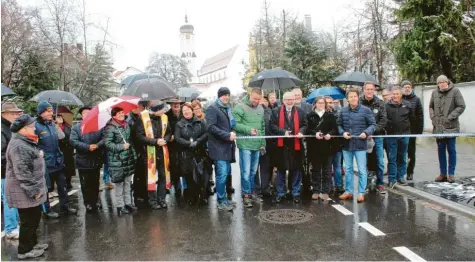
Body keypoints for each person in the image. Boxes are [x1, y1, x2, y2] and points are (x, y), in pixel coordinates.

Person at [6, 114, 49, 259]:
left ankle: (33, 243)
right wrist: (34, 191)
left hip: (27, 190)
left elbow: (30, 159)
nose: (34, 128)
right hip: (24, 191)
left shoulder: (25, 141)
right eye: (31, 126)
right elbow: (23, 172)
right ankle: (24, 250)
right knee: (28, 221)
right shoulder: (19, 145)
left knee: (34, 218)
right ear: (23, 129)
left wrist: (38, 155)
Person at [35, 101, 76, 218]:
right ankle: (47, 211)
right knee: (46, 188)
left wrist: (57, 127)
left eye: (51, 111)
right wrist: (38, 153)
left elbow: (62, 138)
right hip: (46, 163)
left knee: (63, 186)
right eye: (48, 111)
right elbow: (33, 144)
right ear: (41, 112)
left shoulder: (52, 124)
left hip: (57, 161)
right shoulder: (36, 126)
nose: (51, 113)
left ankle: (65, 207)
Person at [337, 88, 376, 203]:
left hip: (360, 145)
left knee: (362, 170)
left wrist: (366, 132)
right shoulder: (343, 111)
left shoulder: (366, 110)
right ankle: (348, 191)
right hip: (347, 145)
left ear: (358, 97)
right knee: (348, 169)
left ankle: (361, 193)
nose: (353, 98)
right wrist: (343, 133)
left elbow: (373, 125)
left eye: (355, 96)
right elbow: (338, 125)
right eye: (350, 97)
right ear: (347, 99)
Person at [270, 91, 308, 204]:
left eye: (291, 99)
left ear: (294, 100)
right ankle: (280, 193)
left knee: (296, 170)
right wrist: (283, 132)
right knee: (281, 170)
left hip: (295, 145)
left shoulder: (300, 112)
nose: (289, 101)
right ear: (283, 100)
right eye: (287, 99)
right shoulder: (275, 111)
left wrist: (301, 131)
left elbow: (305, 124)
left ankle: (295, 193)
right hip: (281, 145)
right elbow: (271, 125)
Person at [429, 75, 466, 183]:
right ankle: (442, 173)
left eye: (443, 82)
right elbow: (430, 106)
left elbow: (461, 106)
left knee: (451, 150)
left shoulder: (455, 91)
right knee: (440, 150)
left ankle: (451, 174)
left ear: (447, 82)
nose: (442, 84)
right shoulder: (434, 93)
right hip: (438, 127)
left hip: (451, 127)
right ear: (437, 84)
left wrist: (450, 117)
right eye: (440, 83)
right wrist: (433, 116)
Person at [205, 87, 237, 211]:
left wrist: (232, 131)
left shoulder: (227, 109)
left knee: (225, 174)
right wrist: (227, 135)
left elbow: (230, 126)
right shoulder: (212, 109)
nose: (226, 97)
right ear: (219, 96)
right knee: (221, 175)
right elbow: (211, 127)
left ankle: (224, 200)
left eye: (228, 95)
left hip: (227, 147)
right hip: (218, 148)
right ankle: (221, 201)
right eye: (224, 95)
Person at [136, 102, 172, 209]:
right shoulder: (143, 118)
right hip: (149, 153)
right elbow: (139, 136)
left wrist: (165, 139)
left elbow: (169, 132)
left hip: (162, 151)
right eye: (162, 109)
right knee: (151, 178)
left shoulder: (164, 118)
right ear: (157, 110)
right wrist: (155, 141)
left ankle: (162, 199)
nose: (164, 111)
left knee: (163, 176)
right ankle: (152, 201)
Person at [233, 88, 265, 207]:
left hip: (257, 144)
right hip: (245, 144)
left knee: (253, 171)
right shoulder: (239, 107)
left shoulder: (261, 108)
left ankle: (252, 192)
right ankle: (246, 195)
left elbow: (262, 127)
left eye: (259, 99)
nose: (256, 101)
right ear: (249, 95)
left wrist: (263, 142)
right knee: (246, 172)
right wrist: (248, 130)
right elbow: (234, 124)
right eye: (254, 98)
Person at [70, 107, 105, 213]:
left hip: (96, 158)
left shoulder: (98, 127)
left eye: (89, 113)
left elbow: (104, 138)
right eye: (85, 113)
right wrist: (87, 147)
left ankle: (96, 200)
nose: (87, 115)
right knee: (85, 184)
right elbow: (73, 141)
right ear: (81, 115)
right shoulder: (76, 128)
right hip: (83, 160)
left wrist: (97, 145)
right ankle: (88, 203)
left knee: (95, 183)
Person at [104, 107, 137, 215]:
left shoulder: (126, 124)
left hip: (128, 159)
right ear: (114, 115)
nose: (122, 114)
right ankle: (120, 206)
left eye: (123, 112)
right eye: (119, 113)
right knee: (119, 184)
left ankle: (128, 203)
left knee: (128, 182)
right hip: (117, 160)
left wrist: (134, 154)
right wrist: (121, 146)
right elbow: (108, 144)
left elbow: (130, 140)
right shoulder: (110, 127)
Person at [175, 103, 208, 205]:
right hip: (187, 154)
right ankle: (192, 197)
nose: (186, 112)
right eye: (184, 111)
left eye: (188, 110)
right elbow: (178, 138)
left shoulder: (200, 121)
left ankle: (202, 196)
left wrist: (197, 141)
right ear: (182, 113)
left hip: (200, 152)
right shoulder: (179, 124)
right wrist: (189, 143)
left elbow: (206, 133)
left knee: (201, 176)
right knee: (189, 177)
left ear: (192, 110)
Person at [306, 96, 338, 201]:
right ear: (315, 104)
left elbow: (334, 128)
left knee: (327, 170)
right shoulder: (310, 116)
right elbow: (307, 129)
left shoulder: (330, 115)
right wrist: (314, 133)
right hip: (314, 147)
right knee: (315, 169)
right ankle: (315, 190)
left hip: (327, 147)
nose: (320, 105)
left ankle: (325, 191)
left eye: (322, 103)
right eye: (318, 103)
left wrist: (329, 134)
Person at [360, 81, 387, 193]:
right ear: (364, 90)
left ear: (374, 90)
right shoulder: (359, 102)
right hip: (363, 137)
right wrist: (365, 132)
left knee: (379, 161)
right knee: (364, 162)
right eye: (368, 89)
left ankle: (380, 184)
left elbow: (383, 120)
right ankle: (365, 184)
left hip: (377, 136)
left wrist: (373, 131)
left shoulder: (380, 103)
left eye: (372, 89)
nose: (370, 91)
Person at [386, 86, 416, 188]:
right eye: (393, 94)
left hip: (404, 135)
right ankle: (392, 178)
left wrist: (410, 132)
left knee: (402, 157)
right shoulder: (386, 106)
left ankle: (401, 177)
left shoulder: (407, 105)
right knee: (392, 157)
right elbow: (383, 119)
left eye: (397, 94)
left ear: (401, 95)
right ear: (391, 95)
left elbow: (412, 119)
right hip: (391, 136)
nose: (395, 96)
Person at [1, 102, 22, 239]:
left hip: (12, 170)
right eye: (12, 113)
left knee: (14, 199)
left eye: (16, 113)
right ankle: (11, 228)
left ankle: (14, 225)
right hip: (5, 171)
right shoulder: (2, 130)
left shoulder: (10, 128)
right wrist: (15, 157)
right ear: (3, 114)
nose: (16, 115)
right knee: (9, 199)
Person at [127, 100, 149, 207]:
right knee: (138, 174)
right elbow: (132, 136)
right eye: (136, 106)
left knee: (145, 174)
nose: (138, 108)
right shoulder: (130, 120)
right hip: (136, 150)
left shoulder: (145, 117)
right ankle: (138, 195)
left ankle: (144, 194)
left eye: (140, 106)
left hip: (145, 149)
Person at [401, 80, 424, 181]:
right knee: (401, 152)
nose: (407, 88)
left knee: (411, 152)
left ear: (411, 88)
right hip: (401, 131)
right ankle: (400, 171)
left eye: (408, 86)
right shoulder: (399, 98)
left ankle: (410, 172)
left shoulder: (416, 99)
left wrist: (419, 130)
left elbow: (420, 115)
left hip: (412, 131)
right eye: (405, 87)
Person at [255, 96, 274, 198]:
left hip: (268, 144)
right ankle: (257, 189)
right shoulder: (254, 111)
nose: (263, 102)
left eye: (265, 101)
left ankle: (265, 187)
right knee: (254, 168)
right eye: (261, 100)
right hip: (254, 143)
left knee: (266, 167)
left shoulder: (270, 111)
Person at [166, 98, 185, 197]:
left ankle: (185, 187)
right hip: (172, 146)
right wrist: (169, 137)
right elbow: (164, 131)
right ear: (171, 105)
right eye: (174, 104)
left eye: (177, 103)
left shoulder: (184, 114)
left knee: (184, 165)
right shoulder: (166, 116)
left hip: (183, 145)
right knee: (173, 166)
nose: (176, 105)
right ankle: (177, 185)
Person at [56, 112, 75, 190]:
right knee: (60, 168)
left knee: (68, 166)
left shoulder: (67, 126)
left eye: (61, 117)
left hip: (68, 149)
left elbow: (71, 137)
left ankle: (68, 182)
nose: (60, 119)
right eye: (58, 117)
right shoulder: (53, 127)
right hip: (59, 149)